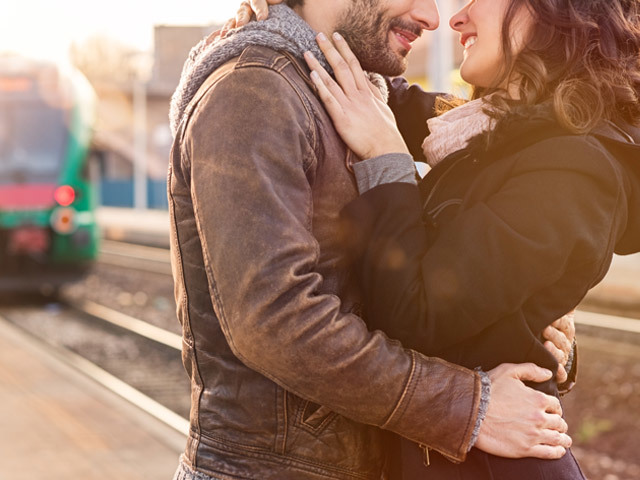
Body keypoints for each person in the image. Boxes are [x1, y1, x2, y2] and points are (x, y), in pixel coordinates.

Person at [168, 1, 577, 479]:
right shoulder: (252, 89)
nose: (432, 18)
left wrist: (534, 307)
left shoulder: (360, 91)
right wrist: (469, 408)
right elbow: (274, 318)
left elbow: (506, 146)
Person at [274, 0, 640, 478]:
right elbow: (386, 92)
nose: (455, 17)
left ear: (555, 10)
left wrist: (387, 162)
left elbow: (417, 313)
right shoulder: (490, 128)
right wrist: (283, 16)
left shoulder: (574, 166)